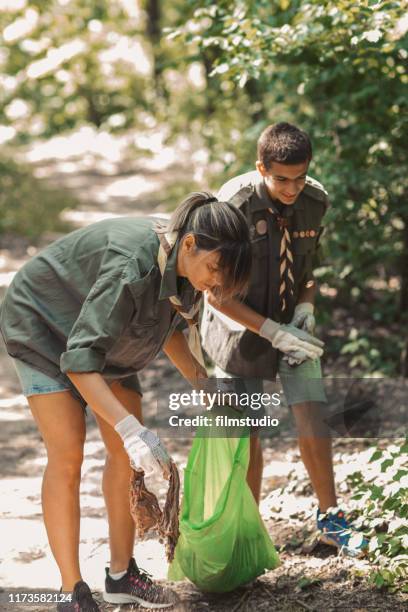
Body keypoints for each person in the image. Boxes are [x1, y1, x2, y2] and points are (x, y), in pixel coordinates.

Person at [0, 192, 252, 611]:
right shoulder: (132, 266)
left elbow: (168, 327)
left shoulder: (189, 268)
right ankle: (71, 592)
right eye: (214, 270)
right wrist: (132, 429)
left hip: (108, 335)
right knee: (68, 454)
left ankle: (122, 575)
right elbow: (79, 364)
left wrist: (204, 385)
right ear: (190, 245)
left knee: (125, 456)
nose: (216, 284)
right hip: (43, 322)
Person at [201, 122, 368, 557]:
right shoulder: (232, 206)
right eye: (281, 179)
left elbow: (308, 271)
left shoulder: (315, 201)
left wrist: (305, 310)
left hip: (293, 326)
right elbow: (213, 291)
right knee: (246, 431)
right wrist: (270, 331)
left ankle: (332, 520)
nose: (292, 188)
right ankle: (247, 532)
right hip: (236, 329)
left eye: (300, 176)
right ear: (261, 168)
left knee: (312, 410)